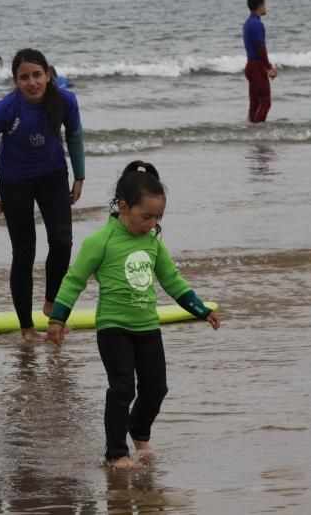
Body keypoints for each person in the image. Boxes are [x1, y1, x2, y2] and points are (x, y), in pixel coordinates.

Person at [46, 161, 221, 469]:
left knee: (156, 388)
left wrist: (200, 310)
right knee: (122, 388)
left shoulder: (153, 243)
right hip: (114, 328)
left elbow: (173, 281)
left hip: (147, 327)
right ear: (124, 207)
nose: (152, 223)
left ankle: (138, 431)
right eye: (146, 216)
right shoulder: (100, 241)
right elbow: (74, 280)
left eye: (158, 217)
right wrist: (58, 319)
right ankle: (117, 453)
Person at [0, 48, 85, 341]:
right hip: (15, 180)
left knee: (62, 241)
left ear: (48, 75)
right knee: (24, 252)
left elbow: (74, 135)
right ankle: (26, 327)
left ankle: (51, 304)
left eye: (37, 75)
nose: (32, 82)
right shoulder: (4, 110)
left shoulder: (64, 101)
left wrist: (79, 176)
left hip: (52, 175)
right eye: (24, 77)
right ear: (15, 81)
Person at [243, 0, 277, 123]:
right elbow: (260, 48)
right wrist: (268, 68)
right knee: (265, 102)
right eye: (264, 3)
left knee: (254, 104)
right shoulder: (257, 24)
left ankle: (251, 133)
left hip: (250, 66)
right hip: (257, 67)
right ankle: (259, 135)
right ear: (260, 5)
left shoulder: (247, 23)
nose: (265, 7)